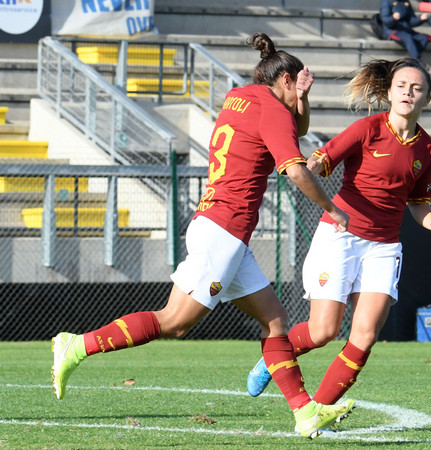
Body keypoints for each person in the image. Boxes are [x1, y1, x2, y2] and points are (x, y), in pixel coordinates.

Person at [50, 32, 355, 440]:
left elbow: (291, 125)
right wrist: (332, 209)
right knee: (175, 322)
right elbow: (297, 168)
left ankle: (304, 412)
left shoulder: (240, 96)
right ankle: (76, 345)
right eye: (295, 85)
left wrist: (301, 98)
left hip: (219, 225)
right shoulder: (272, 110)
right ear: (285, 80)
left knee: (276, 322)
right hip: (224, 231)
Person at [247, 57, 431, 404]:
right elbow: (323, 159)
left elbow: (418, 203)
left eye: (417, 88)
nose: (408, 92)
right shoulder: (367, 128)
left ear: (427, 99)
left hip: (384, 247)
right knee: (323, 331)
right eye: (402, 86)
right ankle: (272, 358)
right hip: (341, 237)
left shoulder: (428, 149)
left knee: (365, 336)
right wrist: (312, 163)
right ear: (389, 92)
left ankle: (319, 411)